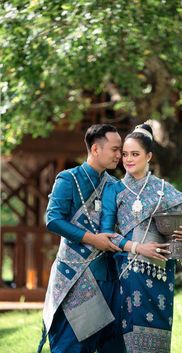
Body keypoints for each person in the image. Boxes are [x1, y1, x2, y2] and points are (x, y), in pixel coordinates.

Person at [100, 123, 182, 353]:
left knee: (157, 338)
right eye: (125, 154)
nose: (128, 159)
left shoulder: (164, 190)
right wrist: (137, 248)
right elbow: (106, 235)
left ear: (149, 156)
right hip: (124, 274)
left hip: (160, 275)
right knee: (124, 339)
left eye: (135, 154)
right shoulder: (114, 191)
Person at [38, 124, 127, 353]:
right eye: (115, 149)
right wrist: (92, 239)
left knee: (114, 346)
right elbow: (53, 219)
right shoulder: (69, 179)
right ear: (96, 149)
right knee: (73, 345)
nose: (120, 155)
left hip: (110, 278)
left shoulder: (115, 186)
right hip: (77, 277)